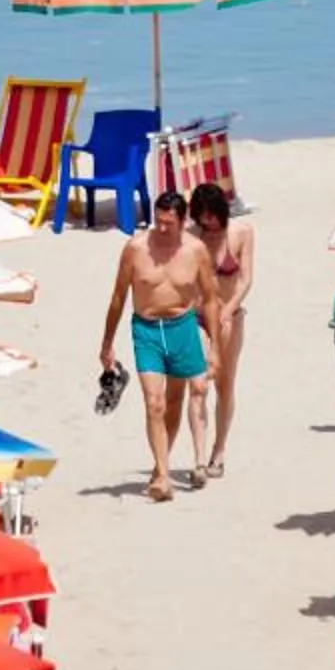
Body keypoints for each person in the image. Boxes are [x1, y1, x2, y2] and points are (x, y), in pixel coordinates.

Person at [98, 187, 213, 501]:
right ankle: (163, 476)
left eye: (169, 223)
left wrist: (213, 348)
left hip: (182, 328)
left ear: (182, 220)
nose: (162, 229)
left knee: (174, 402)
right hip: (146, 330)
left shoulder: (196, 250)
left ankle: (160, 463)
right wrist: (107, 344)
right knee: (154, 401)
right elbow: (118, 298)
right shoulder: (135, 249)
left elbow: (212, 300)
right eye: (158, 221)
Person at [186, 181, 253, 479]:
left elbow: (246, 280)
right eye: (202, 219)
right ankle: (199, 459)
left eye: (212, 218)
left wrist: (227, 310)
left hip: (230, 317)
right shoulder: (191, 236)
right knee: (198, 384)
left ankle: (219, 451)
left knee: (225, 385)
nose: (208, 224)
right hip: (197, 319)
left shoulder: (242, 233)